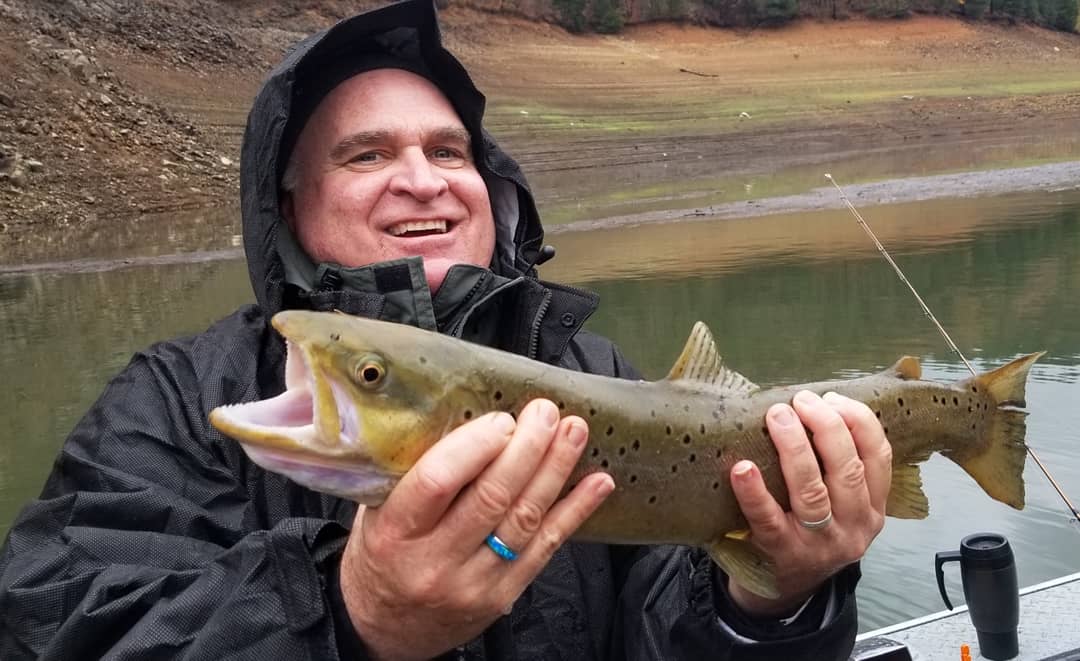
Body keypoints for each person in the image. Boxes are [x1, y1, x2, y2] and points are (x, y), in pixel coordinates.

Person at [0, 1, 891, 658]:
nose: (423, 180)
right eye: (368, 154)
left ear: (490, 187)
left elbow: (667, 633)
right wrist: (346, 614)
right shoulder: (171, 403)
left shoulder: (593, 369)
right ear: (288, 205)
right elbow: (54, 625)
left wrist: (771, 602)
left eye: (450, 151)